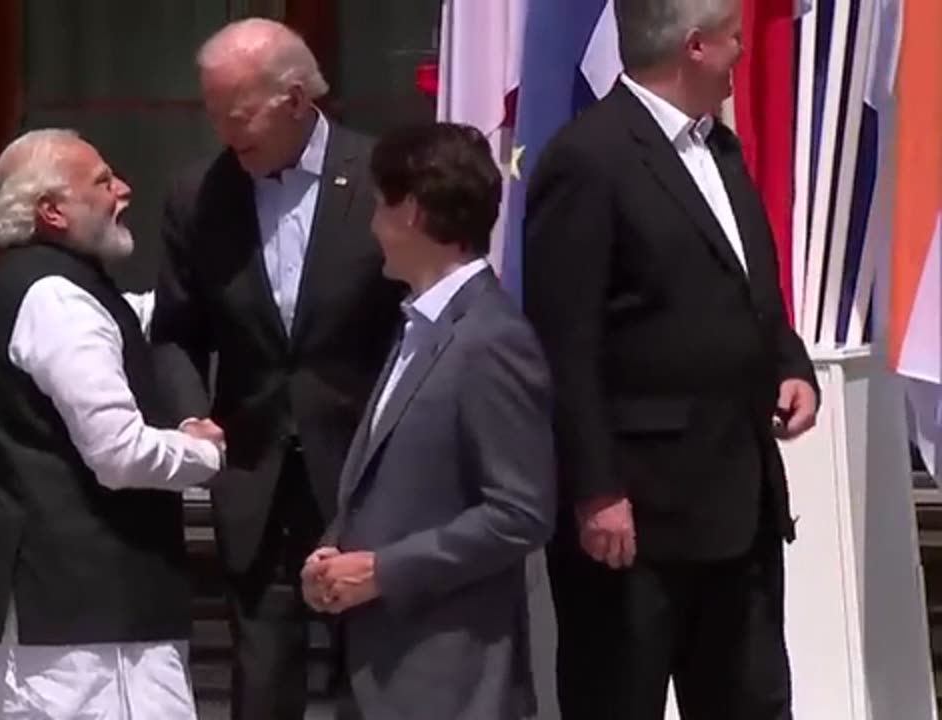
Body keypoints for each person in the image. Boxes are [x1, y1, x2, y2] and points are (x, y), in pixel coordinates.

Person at [521, 1, 820, 717]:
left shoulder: (720, 149)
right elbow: (565, 339)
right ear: (693, 47)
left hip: (737, 499)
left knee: (751, 699)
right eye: (733, 41)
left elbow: (752, 287)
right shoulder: (588, 158)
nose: (741, 55)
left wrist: (789, 363)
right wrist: (596, 490)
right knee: (620, 697)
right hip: (635, 513)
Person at [151, 18, 404, 719]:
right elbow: (172, 332)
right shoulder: (198, 197)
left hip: (364, 469)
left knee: (372, 677)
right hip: (255, 474)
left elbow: (420, 323)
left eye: (237, 115)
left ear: (295, 99)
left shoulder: (383, 178)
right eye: (211, 114)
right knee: (261, 683)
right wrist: (189, 414)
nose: (225, 135)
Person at [0, 128, 226, 719]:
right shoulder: (57, 300)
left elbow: (127, 325)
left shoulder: (55, 288)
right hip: (85, 628)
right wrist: (206, 453)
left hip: (75, 616)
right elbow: (120, 453)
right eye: (103, 181)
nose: (124, 190)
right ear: (52, 210)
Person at [301, 122, 557, 720]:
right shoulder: (419, 328)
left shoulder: (491, 340)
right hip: (378, 672)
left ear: (410, 212)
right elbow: (391, 483)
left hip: (450, 682)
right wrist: (332, 552)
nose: (371, 228)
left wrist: (383, 571)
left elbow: (520, 513)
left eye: (377, 208)